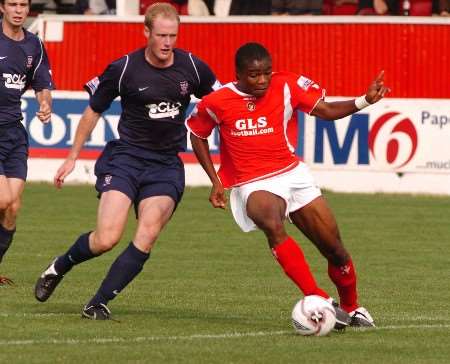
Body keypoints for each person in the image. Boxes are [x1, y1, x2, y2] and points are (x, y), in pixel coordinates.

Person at [34, 3, 219, 319]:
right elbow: (94, 111)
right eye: (161, 35)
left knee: (147, 235)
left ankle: (97, 303)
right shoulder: (123, 69)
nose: (167, 43)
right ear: (146, 31)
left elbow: (220, 102)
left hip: (165, 166)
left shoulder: (192, 67)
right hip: (126, 160)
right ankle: (59, 266)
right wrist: (71, 158)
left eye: (172, 36)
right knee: (107, 238)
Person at [187, 42, 390, 328]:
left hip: (292, 174)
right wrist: (215, 180)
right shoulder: (216, 102)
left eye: (266, 73)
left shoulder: (288, 85)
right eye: (254, 75)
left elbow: (327, 110)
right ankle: (318, 298)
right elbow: (197, 134)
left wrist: (364, 100)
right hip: (252, 181)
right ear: (238, 74)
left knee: (335, 250)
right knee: (271, 222)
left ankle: (351, 307)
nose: (261, 80)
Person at [0, 0, 53, 285]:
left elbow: (42, 84)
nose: (18, 10)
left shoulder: (35, 46)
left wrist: (45, 104)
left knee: (12, 208)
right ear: (2, 7)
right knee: (3, 198)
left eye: (23, 4)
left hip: (14, 134)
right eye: (13, 4)